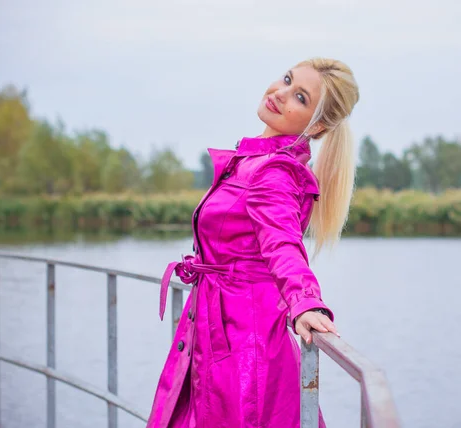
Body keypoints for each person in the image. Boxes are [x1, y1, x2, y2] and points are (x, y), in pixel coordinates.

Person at [147, 57, 359, 428]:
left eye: (300, 97)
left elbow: (282, 245)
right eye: (287, 79)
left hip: (243, 346)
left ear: (318, 124)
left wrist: (305, 301)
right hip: (220, 330)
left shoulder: (275, 171)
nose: (279, 93)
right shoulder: (255, 159)